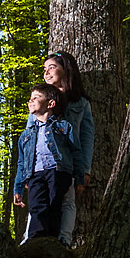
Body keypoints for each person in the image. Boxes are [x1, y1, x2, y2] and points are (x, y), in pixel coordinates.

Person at [11, 81, 76, 246]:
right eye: (30, 98)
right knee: (36, 206)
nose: (30, 101)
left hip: (58, 171)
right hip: (34, 174)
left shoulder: (63, 127)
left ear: (50, 104)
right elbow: (21, 162)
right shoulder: (25, 135)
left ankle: (53, 242)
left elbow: (75, 152)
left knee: (55, 205)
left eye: (35, 98)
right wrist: (18, 187)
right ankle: (35, 241)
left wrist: (79, 175)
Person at [43, 50, 95, 242]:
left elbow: (87, 137)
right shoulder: (40, 101)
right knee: (40, 201)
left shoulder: (80, 104)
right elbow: (29, 136)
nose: (47, 73)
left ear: (66, 70)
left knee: (67, 200)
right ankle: (33, 239)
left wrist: (85, 170)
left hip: (69, 164)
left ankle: (63, 241)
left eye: (52, 67)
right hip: (43, 164)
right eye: (44, 69)